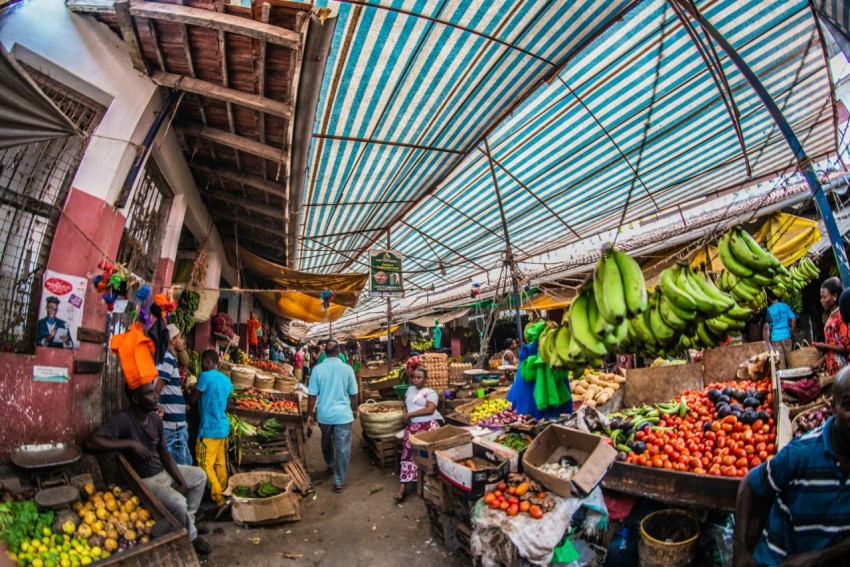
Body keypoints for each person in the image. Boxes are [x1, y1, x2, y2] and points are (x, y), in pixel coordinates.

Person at [733, 367, 850, 566]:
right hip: (778, 560)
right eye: (848, 406)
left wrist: (819, 557)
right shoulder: (801, 452)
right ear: (832, 407)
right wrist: (740, 551)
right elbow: (749, 484)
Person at [84, 381, 211, 556]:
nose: (155, 395)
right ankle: (191, 537)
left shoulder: (154, 418)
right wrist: (129, 444)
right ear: (136, 399)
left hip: (162, 471)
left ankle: (188, 521)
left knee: (200, 476)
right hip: (146, 481)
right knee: (178, 502)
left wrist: (181, 481)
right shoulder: (124, 419)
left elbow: (164, 453)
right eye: (150, 393)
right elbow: (91, 442)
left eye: (154, 392)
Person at [306, 338, 358, 493]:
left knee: (326, 441)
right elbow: (354, 394)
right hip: (343, 415)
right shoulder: (347, 369)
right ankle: (339, 481)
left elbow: (312, 396)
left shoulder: (317, 369)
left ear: (326, 353)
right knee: (342, 448)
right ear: (339, 352)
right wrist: (354, 409)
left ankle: (330, 465)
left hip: (325, 415)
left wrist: (309, 415)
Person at [188, 350, 232, 507]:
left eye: (203, 362)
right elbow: (227, 406)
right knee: (220, 463)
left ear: (207, 361)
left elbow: (193, 399)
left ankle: (218, 498)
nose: (202, 365)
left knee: (205, 464)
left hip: (209, 429)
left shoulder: (204, 377)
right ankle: (224, 493)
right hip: (223, 427)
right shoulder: (227, 380)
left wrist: (189, 393)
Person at [396, 367, 443, 502]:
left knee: (426, 447)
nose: (415, 380)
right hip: (413, 424)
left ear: (425, 379)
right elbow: (405, 404)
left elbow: (429, 410)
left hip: (429, 422)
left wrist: (410, 414)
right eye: (414, 377)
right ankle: (403, 486)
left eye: (419, 377)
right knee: (407, 448)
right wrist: (405, 413)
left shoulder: (430, 392)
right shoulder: (410, 390)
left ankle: (428, 480)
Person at [154, 324, 191, 466]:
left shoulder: (169, 358)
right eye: (180, 337)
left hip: (176, 423)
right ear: (172, 340)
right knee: (182, 466)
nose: (182, 341)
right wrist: (155, 406)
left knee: (184, 462)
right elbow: (158, 387)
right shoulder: (168, 357)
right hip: (173, 425)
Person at [813, 277, 850, 376]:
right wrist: (821, 361)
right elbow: (834, 344)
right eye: (821, 297)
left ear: (834, 296)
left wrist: (824, 346)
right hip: (835, 371)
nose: (821, 300)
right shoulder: (831, 316)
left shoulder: (842, 316)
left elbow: (847, 347)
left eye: (824, 297)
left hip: (845, 372)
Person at [764, 293, 797, 370]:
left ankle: (783, 381)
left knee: (780, 362)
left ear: (769, 298)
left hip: (775, 338)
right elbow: (793, 319)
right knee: (790, 360)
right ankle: (792, 378)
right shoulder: (785, 306)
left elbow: (768, 326)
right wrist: (791, 330)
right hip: (786, 335)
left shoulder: (769, 310)